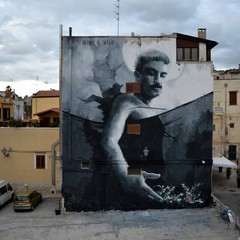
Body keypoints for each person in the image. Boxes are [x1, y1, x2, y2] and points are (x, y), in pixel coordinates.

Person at [101, 49, 170, 203]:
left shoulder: (152, 107)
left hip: (150, 181)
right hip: (131, 183)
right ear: (138, 76)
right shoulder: (126, 101)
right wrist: (126, 174)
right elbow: (109, 140)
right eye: (151, 73)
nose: (158, 80)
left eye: (163, 75)